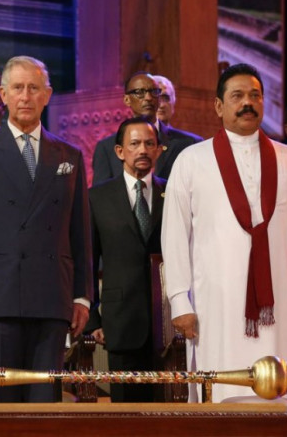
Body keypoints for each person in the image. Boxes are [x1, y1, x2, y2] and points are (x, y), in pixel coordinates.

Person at [162, 63, 287, 403]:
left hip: (276, 302)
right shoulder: (192, 160)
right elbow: (174, 235)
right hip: (212, 305)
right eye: (237, 96)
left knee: (278, 397)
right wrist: (179, 300)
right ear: (219, 106)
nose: (247, 103)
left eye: (255, 95)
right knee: (220, 392)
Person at [0, 55, 92, 403]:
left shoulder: (69, 156)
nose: (25, 96)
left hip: (51, 297)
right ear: (3, 95)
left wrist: (82, 295)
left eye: (33, 88)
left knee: (44, 409)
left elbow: (81, 233)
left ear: (47, 94)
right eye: (17, 88)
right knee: (1, 408)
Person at [85, 116, 165, 402]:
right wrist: (93, 319)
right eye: (135, 144)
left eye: (149, 143)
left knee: (170, 415)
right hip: (119, 322)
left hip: (167, 321)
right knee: (126, 416)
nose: (142, 149)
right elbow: (87, 262)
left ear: (158, 149)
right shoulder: (97, 198)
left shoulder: (174, 193)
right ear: (120, 151)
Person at [92, 72, 201, 184]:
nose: (148, 98)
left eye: (154, 92)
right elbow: (101, 197)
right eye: (140, 92)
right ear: (126, 100)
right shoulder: (107, 147)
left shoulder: (189, 143)